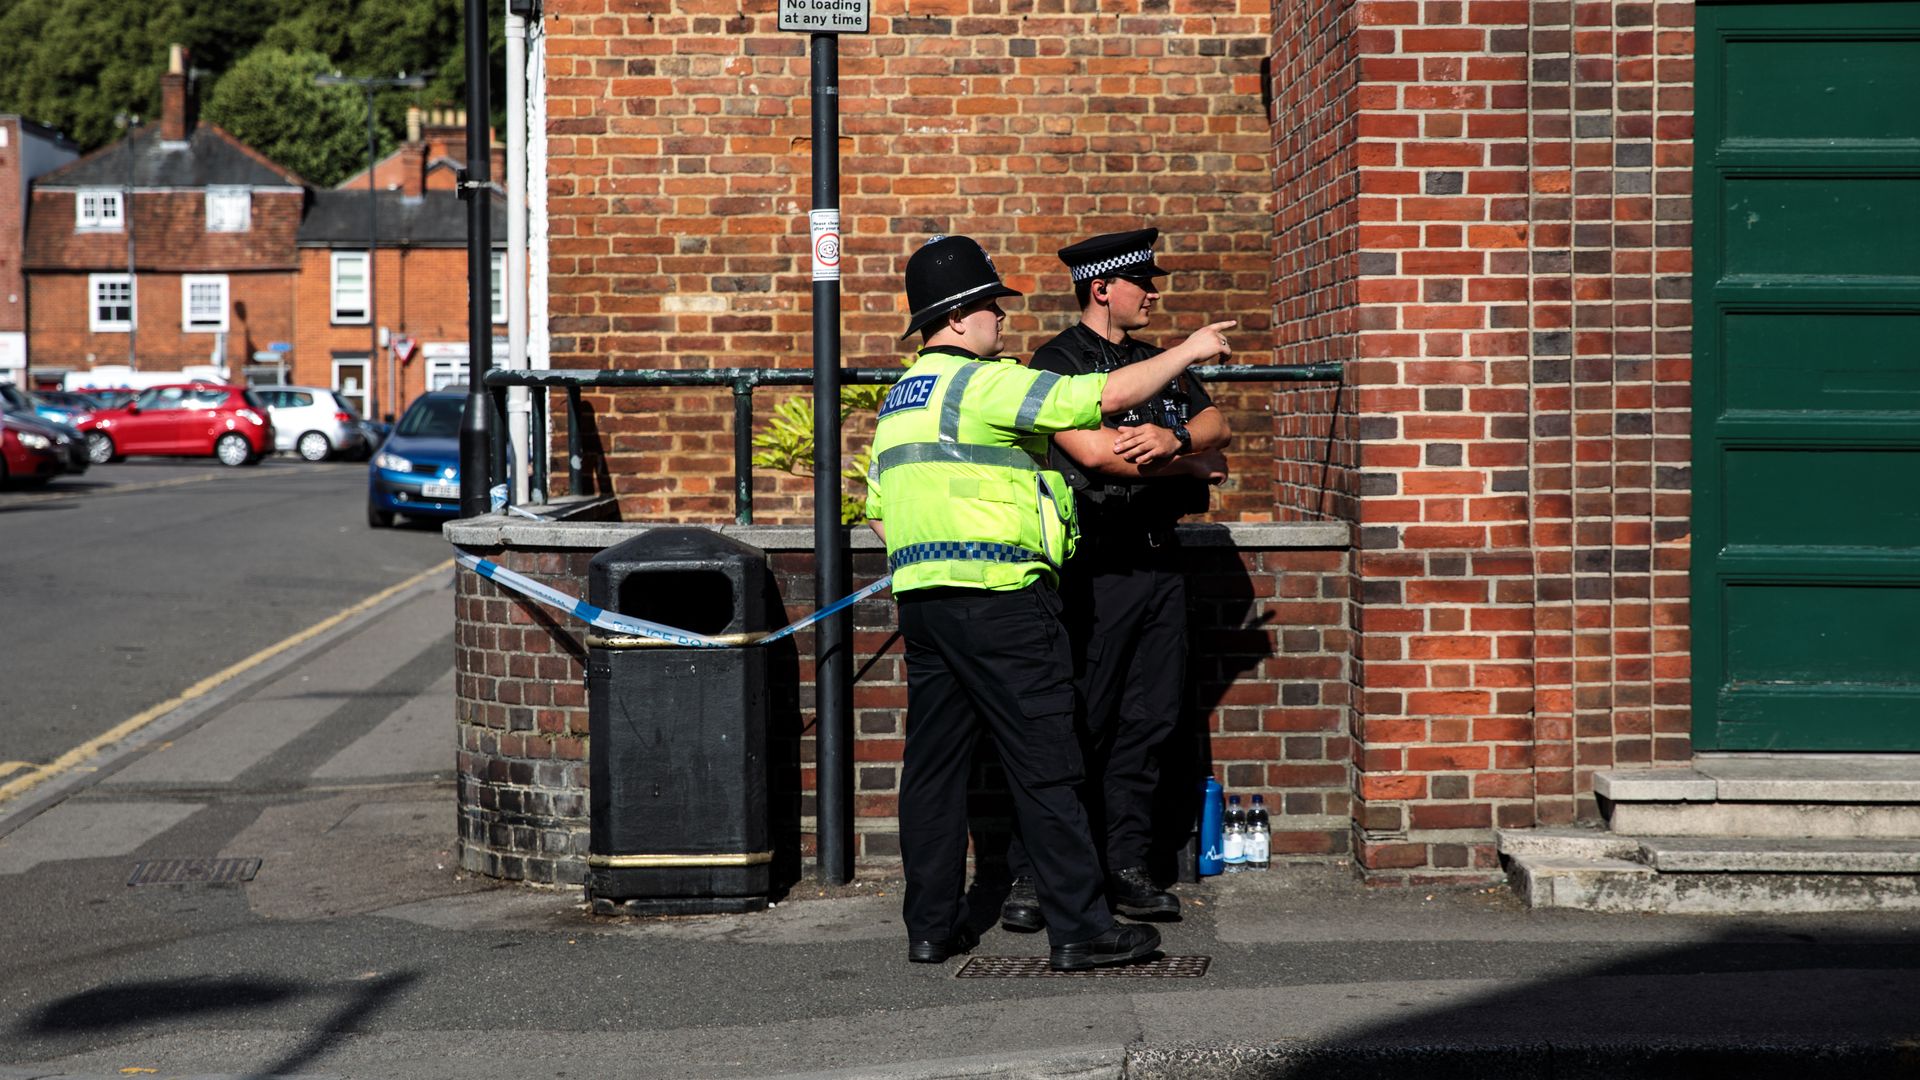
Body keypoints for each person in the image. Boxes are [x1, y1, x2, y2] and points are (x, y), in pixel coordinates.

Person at [865, 234, 1234, 971]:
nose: (1003, 322)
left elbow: (877, 509)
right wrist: (1188, 350)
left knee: (934, 772)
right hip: (1003, 601)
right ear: (964, 315)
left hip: (926, 606)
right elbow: (1103, 396)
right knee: (1049, 763)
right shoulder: (985, 382)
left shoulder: (901, 401)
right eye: (995, 309)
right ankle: (1081, 928)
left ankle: (931, 928)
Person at [1000, 228, 1232, 933]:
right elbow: (1098, 458)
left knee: (1150, 719)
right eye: (1142, 282)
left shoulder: (1152, 363)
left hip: (1160, 563)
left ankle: (1126, 865)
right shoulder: (1058, 360)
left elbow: (1217, 430)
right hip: (1095, 565)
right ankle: (1038, 872)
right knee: (1080, 720)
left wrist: (1177, 441)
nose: (1153, 294)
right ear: (1102, 287)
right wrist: (1184, 460)